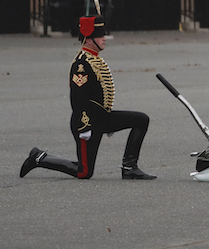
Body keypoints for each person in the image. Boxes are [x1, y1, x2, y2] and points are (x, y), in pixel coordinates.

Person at [20, 16, 156, 180]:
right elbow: (78, 100)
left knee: (141, 119)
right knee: (84, 172)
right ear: (89, 39)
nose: (104, 39)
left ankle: (129, 167)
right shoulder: (81, 65)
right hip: (86, 121)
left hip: (102, 117)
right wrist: (85, 127)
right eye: (100, 36)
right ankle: (39, 158)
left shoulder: (95, 59)